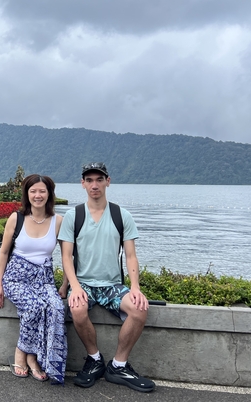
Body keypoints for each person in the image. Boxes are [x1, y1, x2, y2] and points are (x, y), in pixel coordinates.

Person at [58, 162, 155, 392]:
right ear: (82, 184)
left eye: (99, 180)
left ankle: (118, 365)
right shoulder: (74, 216)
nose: (94, 185)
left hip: (112, 285)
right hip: (84, 284)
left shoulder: (122, 215)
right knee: (77, 309)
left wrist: (135, 287)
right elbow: (66, 257)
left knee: (139, 309)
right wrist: (74, 286)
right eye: (89, 180)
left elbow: (130, 256)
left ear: (107, 181)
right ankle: (94, 359)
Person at [0, 174, 67, 384]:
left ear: (49, 194)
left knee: (55, 308)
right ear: (26, 194)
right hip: (16, 278)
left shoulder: (58, 221)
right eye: (33, 191)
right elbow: (3, 253)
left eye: (42, 191)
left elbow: (67, 256)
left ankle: (48, 360)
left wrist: (65, 285)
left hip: (44, 280)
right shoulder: (16, 219)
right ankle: (25, 355)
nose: (38, 195)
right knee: (34, 307)